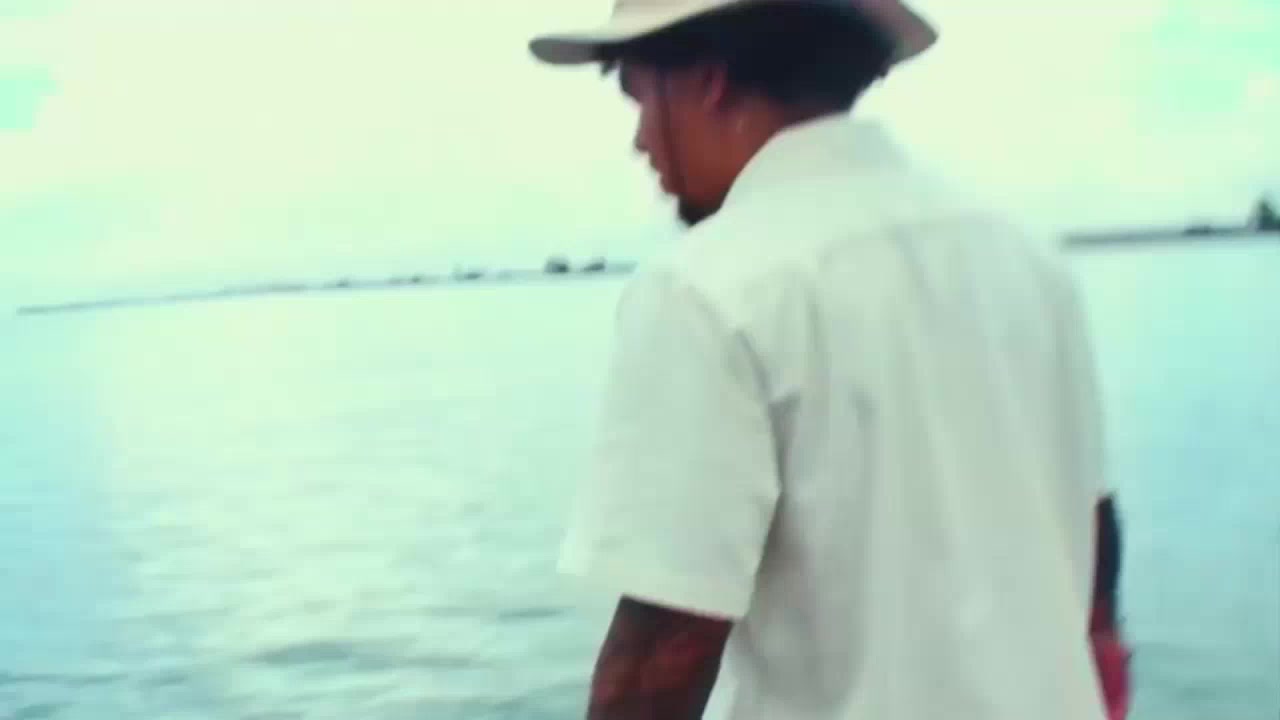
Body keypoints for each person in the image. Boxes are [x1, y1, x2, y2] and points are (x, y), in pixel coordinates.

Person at [528, 1, 1126, 718]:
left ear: (710, 83)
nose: (639, 140)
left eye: (638, 97)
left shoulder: (708, 286)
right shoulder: (1027, 258)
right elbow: (1095, 532)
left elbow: (664, 654)